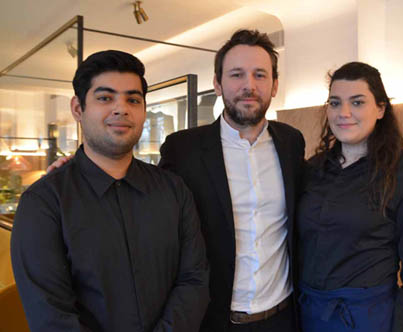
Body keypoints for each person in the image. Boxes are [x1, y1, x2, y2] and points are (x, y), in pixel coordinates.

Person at [11, 50, 209, 332]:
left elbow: (194, 280)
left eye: (133, 99)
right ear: (78, 108)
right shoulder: (43, 202)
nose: (121, 108)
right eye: (105, 98)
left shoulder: (173, 190)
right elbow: (50, 314)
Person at [158, 30, 304, 332]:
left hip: (283, 318)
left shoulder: (292, 142)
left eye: (260, 75)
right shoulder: (182, 149)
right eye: (236, 74)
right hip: (212, 320)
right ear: (217, 83)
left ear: (275, 85)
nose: (248, 86)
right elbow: (147, 205)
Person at [296, 62, 403, 332]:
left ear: (381, 109)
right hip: (308, 314)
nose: (343, 113)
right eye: (335, 103)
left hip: (368, 318)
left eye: (357, 102)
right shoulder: (311, 169)